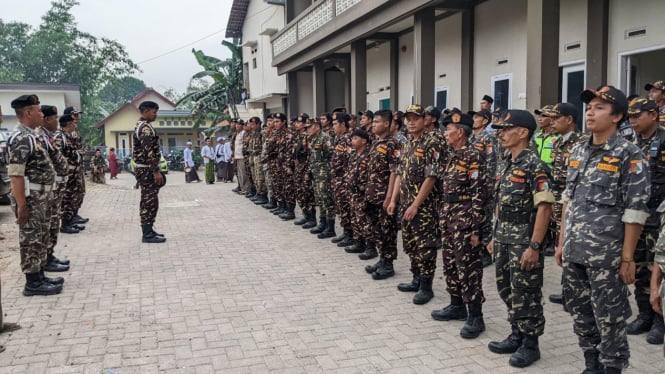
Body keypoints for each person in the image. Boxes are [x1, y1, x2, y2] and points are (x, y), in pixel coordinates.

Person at [556, 86, 650, 373]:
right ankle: (591, 364)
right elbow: (568, 201)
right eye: (589, 107)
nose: (590, 112)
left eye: (599, 107)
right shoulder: (579, 149)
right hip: (575, 252)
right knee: (581, 314)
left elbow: (635, 212)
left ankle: (612, 367)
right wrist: (561, 244)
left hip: (606, 257)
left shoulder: (629, 154)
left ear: (617, 116)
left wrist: (627, 258)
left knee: (610, 319)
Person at [487, 109, 554, 368]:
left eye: (506, 129)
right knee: (506, 289)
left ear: (523, 132)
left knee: (526, 293)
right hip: (504, 237)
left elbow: (545, 208)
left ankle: (530, 344)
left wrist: (535, 247)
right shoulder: (506, 161)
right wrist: (495, 235)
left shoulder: (535, 165)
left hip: (524, 241)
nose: (501, 134)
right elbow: (500, 203)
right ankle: (516, 333)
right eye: (500, 130)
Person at [430, 112, 487, 340]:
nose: (445, 133)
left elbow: (479, 194)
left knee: (468, 268)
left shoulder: (474, 156)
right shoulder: (453, 155)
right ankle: (456, 305)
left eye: (449, 129)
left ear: (460, 132)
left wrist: (476, 230)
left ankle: (475, 316)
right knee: (451, 264)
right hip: (449, 217)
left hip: (465, 219)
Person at [7, 94, 63, 296]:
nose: (42, 113)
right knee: (31, 238)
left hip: (41, 197)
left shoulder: (31, 135)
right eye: (39, 110)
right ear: (28, 112)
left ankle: (39, 276)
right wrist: (21, 205)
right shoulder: (21, 138)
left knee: (40, 237)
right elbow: (16, 175)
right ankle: (32, 283)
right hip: (31, 198)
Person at [388, 104, 441, 305]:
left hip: (424, 206)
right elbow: (400, 173)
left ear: (424, 120)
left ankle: (426, 286)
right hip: (406, 202)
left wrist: (416, 205)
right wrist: (394, 200)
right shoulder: (408, 143)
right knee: (410, 242)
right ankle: (416, 278)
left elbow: (432, 176)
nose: (410, 122)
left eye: (415, 118)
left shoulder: (432, 141)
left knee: (425, 245)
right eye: (408, 119)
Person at [625, 97, 665, 345]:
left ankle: (660, 321)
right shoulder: (631, 143)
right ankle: (644, 315)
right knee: (639, 267)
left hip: (660, 216)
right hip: (637, 216)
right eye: (630, 117)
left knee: (659, 269)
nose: (633, 121)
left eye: (637, 116)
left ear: (653, 114)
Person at [542, 103, 588, 308]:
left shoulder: (583, 142)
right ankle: (567, 289)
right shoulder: (559, 142)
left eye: (556, 118)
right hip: (560, 199)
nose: (551, 122)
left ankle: (576, 292)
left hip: (576, 203)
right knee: (563, 246)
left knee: (573, 245)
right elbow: (555, 175)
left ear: (569, 119)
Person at [363, 110, 400, 279]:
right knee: (377, 230)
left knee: (387, 231)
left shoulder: (393, 144)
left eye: (377, 122)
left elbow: (394, 172)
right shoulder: (376, 142)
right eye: (373, 122)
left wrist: (389, 197)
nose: (373, 124)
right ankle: (382, 258)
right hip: (372, 195)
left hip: (383, 196)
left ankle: (388, 264)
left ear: (387, 124)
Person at [132, 101, 166, 244]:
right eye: (153, 111)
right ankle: (147, 233)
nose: (155, 114)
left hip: (146, 168)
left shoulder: (144, 126)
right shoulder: (145, 128)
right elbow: (149, 151)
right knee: (148, 201)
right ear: (145, 112)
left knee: (151, 200)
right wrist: (156, 170)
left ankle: (149, 230)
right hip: (146, 169)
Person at [468, 108, 498, 267]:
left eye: (477, 117)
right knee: (477, 217)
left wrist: (489, 186)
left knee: (486, 217)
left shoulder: (488, 139)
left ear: (485, 120)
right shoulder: (471, 138)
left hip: (485, 185)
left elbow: (491, 163)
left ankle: (486, 251)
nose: (474, 119)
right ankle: (477, 248)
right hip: (473, 185)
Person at [307, 117, 336, 238]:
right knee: (320, 199)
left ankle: (330, 227)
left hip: (324, 173)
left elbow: (332, 154)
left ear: (317, 127)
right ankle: (322, 223)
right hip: (316, 173)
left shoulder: (325, 138)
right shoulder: (312, 139)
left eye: (310, 127)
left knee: (327, 199)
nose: (308, 129)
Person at [233, 120, 250, 193]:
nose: (237, 125)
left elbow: (245, 144)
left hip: (242, 156)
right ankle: (242, 188)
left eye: (239, 124)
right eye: (236, 124)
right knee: (239, 174)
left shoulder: (244, 133)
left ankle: (246, 189)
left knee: (243, 173)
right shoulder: (237, 134)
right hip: (237, 156)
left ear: (243, 125)